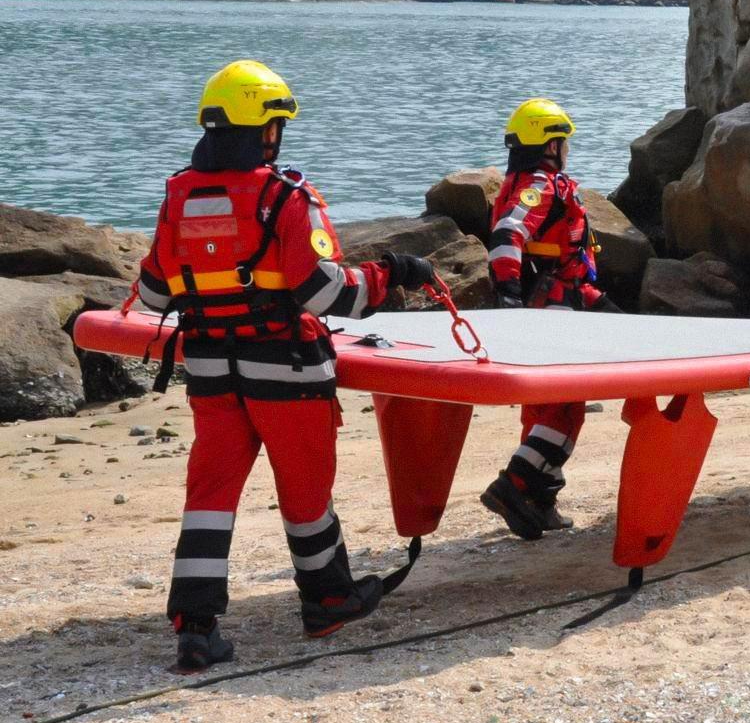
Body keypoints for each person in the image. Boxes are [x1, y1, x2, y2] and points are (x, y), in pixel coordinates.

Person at [135, 61, 437, 671]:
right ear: (265, 130)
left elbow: (151, 295)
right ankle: (327, 599)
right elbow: (328, 294)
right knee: (305, 493)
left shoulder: (179, 195)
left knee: (210, 495)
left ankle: (195, 627)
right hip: (287, 374)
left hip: (211, 374)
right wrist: (392, 273)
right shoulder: (287, 196)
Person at [479, 99, 618, 540]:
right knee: (565, 409)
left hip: (562, 300)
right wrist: (508, 296)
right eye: (564, 143)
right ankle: (515, 483)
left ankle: (540, 502)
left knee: (542, 409)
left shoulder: (521, 184)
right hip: (555, 308)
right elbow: (507, 235)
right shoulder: (541, 186)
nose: (567, 150)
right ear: (551, 145)